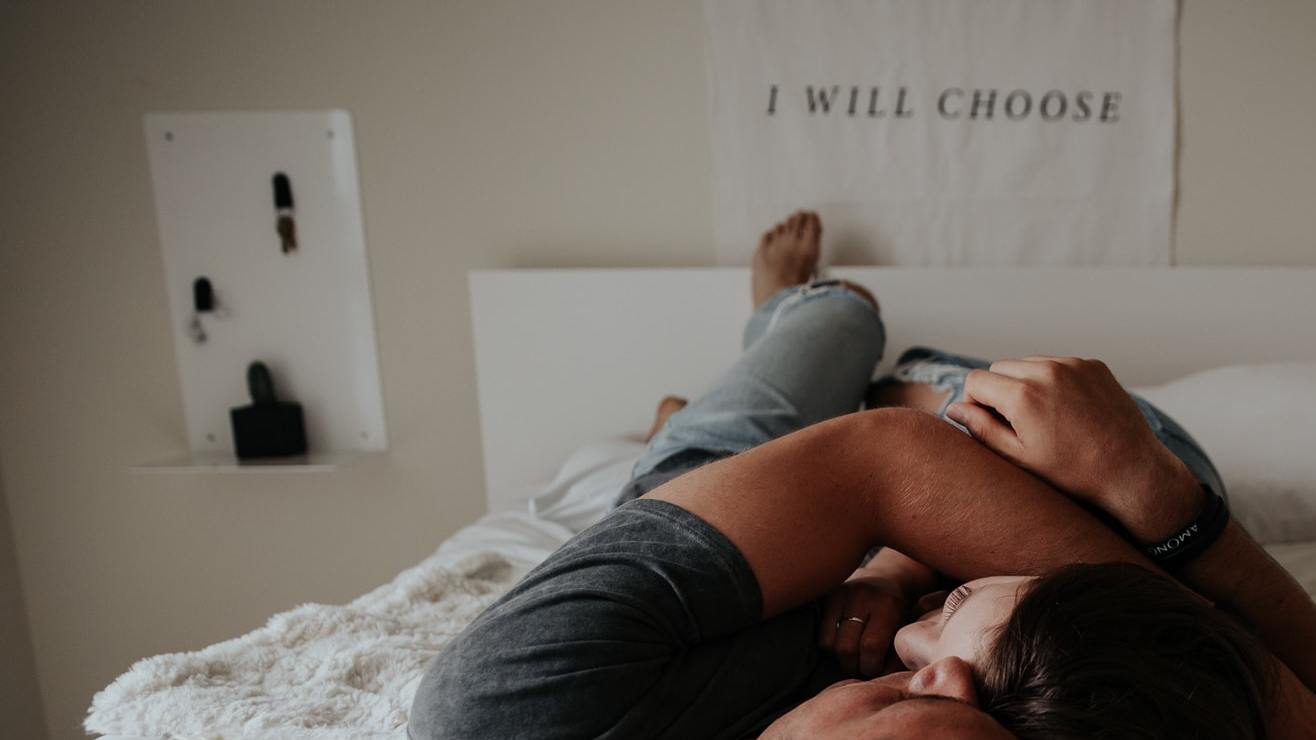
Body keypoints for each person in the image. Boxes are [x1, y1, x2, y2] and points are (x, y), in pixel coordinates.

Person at [409, 212, 1316, 739]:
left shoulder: (518, 705)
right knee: (857, 329)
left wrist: (905, 566)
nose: (912, 654)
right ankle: (830, 333)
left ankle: (723, 392)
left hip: (717, 493)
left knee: (819, 356)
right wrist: (1160, 498)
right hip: (969, 457)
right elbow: (894, 455)